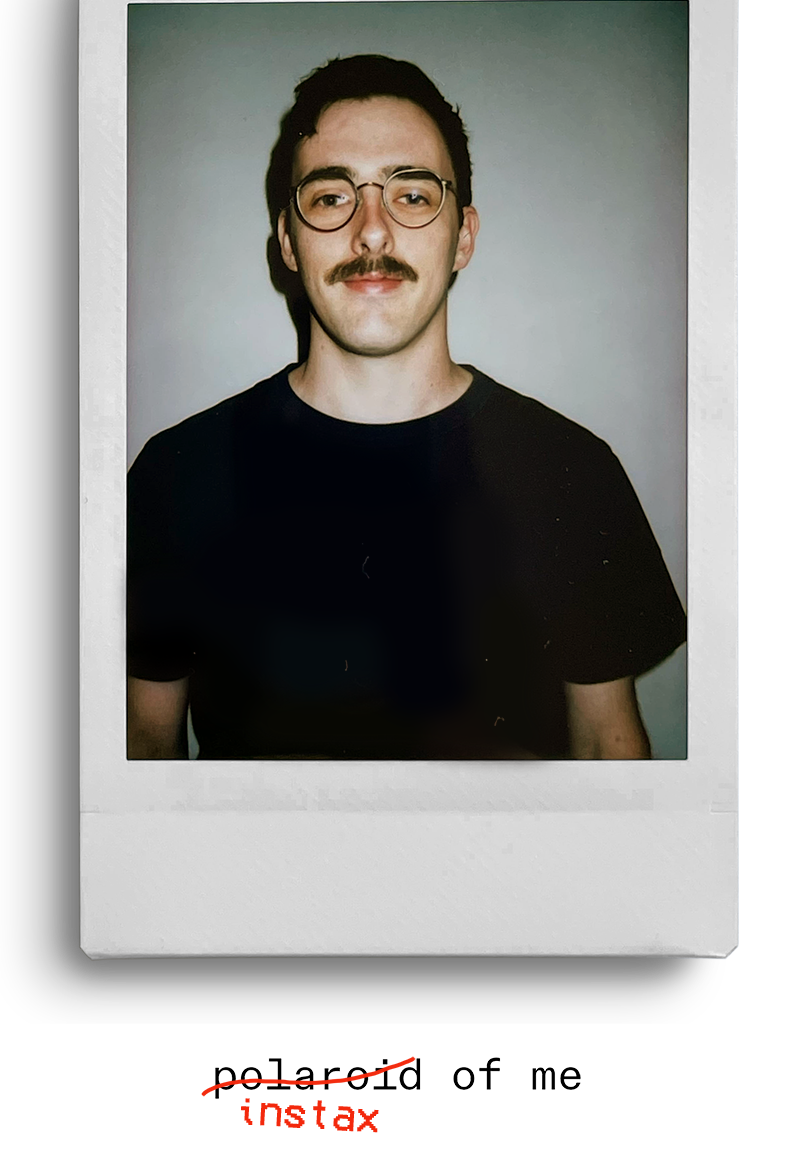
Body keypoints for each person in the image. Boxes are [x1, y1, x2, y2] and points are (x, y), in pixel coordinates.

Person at [127, 54, 686, 761]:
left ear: (464, 237)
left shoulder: (573, 473)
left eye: (413, 195)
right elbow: (142, 745)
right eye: (331, 197)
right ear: (288, 242)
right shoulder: (176, 474)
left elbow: (609, 750)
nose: (372, 232)